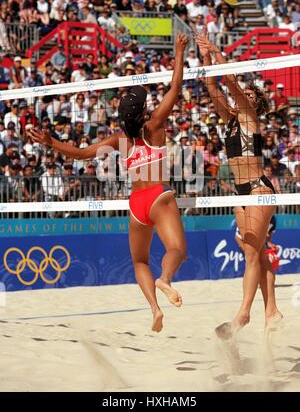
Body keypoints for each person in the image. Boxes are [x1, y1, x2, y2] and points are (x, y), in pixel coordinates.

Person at [29, 33, 189, 333]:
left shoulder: (119, 140)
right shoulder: (154, 126)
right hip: (158, 195)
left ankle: (154, 309)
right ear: (143, 111)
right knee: (177, 250)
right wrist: (178, 52)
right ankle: (166, 279)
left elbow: (79, 154)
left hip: (137, 204)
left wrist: (51, 142)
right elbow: (176, 86)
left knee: (140, 261)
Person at [195, 34, 282, 337]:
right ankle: (271, 310)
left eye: (248, 93)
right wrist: (205, 59)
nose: (241, 94)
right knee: (251, 250)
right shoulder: (232, 118)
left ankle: (243, 315)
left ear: (255, 102)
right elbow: (212, 87)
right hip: (241, 193)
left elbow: (229, 81)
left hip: (258, 189)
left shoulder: (249, 115)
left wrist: (216, 51)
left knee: (251, 254)